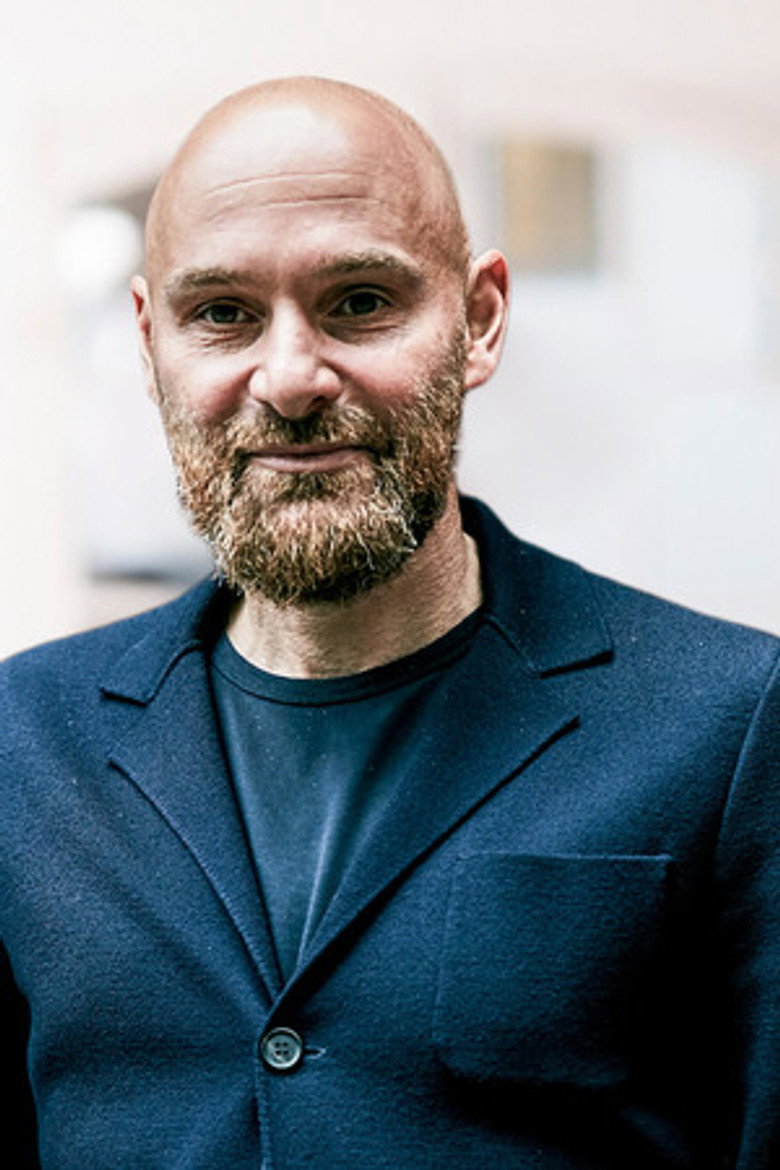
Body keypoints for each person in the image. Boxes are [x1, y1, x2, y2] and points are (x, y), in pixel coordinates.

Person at [1, 76, 779, 1170]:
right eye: (221, 314)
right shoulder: (24, 741)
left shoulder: (729, 724)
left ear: (480, 320)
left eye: (360, 301)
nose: (290, 378)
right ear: (148, 340)